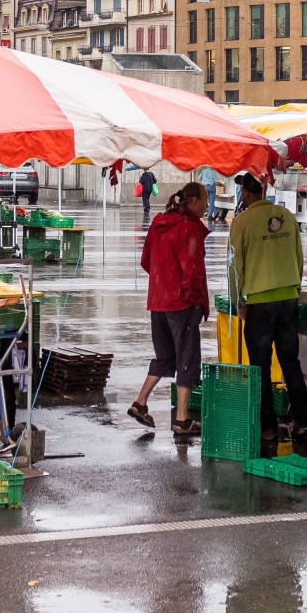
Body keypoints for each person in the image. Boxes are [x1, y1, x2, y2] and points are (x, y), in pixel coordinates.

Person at [228, 173, 307, 455]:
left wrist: (238, 300)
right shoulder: (286, 215)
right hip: (288, 299)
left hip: (259, 304)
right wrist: (294, 289)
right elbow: (299, 258)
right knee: (290, 363)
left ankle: (268, 428)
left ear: (246, 195)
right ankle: (302, 421)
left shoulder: (241, 222)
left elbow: (235, 266)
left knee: (260, 367)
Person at [132, 182, 209, 439]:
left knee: (165, 356)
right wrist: (195, 300)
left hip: (158, 301)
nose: (208, 206)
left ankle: (140, 402)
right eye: (205, 200)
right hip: (181, 304)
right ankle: (182, 419)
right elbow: (192, 271)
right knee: (187, 359)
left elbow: (146, 260)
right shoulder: (189, 229)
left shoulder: (159, 224)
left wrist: (161, 281)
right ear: (194, 202)